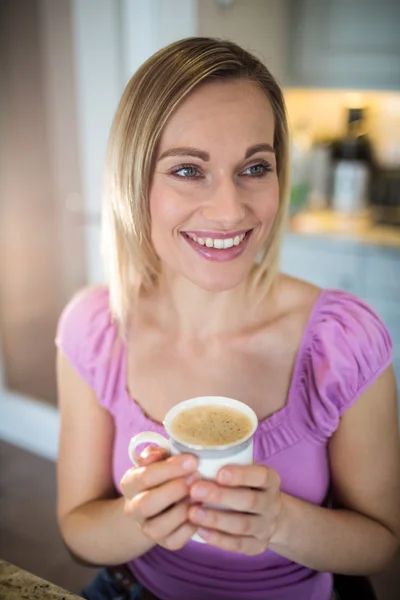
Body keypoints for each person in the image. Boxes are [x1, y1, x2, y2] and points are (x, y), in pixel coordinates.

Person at [55, 37, 400, 600]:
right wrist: (139, 518)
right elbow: (77, 530)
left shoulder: (343, 342)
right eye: (188, 170)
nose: (229, 210)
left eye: (254, 167)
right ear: (132, 181)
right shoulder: (95, 329)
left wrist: (280, 522)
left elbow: (382, 541)